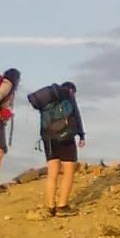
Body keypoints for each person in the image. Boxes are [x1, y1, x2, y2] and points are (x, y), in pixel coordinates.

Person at [41, 81, 85, 216]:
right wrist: (81, 135)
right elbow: (76, 116)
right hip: (66, 138)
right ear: (72, 90)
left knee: (52, 174)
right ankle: (62, 205)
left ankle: (50, 206)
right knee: (68, 171)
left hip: (48, 139)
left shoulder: (48, 100)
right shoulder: (69, 96)